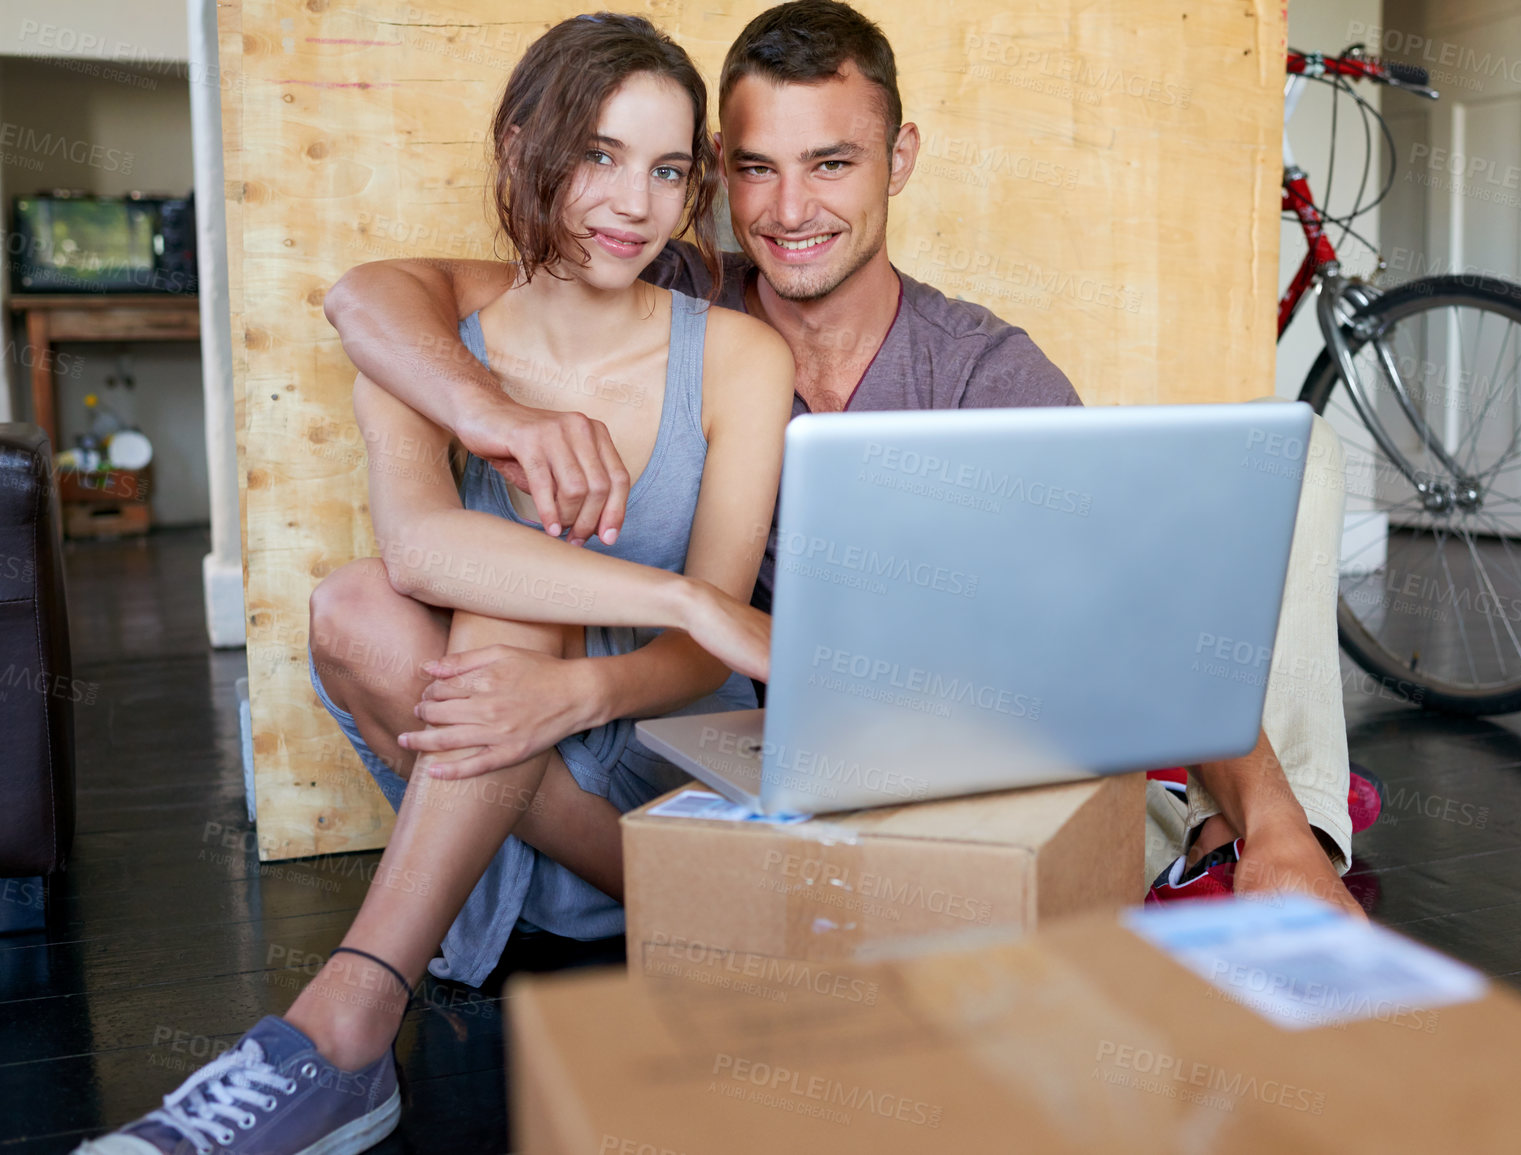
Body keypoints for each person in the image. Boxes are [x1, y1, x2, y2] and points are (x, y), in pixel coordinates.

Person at [323, 0, 1364, 920]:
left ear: (898, 160)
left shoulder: (979, 370)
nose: (788, 213)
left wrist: (1279, 830)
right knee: (409, 604)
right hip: (765, 733)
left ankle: (1252, 837)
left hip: (960, 722)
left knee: (1288, 479)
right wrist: (491, 413)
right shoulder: (667, 286)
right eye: (755, 169)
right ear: (717, 173)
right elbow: (375, 293)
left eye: (832, 163)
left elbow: (1129, 593)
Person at [79, 15, 792, 1154]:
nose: (633, 203)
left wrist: (591, 690)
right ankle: (377, 1007)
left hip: (649, 779)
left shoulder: (742, 357)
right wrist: (684, 595)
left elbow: (703, 665)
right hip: (491, 749)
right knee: (361, 603)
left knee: (512, 596)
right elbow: (417, 552)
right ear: (521, 149)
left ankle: (344, 1033)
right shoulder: (433, 348)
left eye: (666, 170)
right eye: (598, 155)